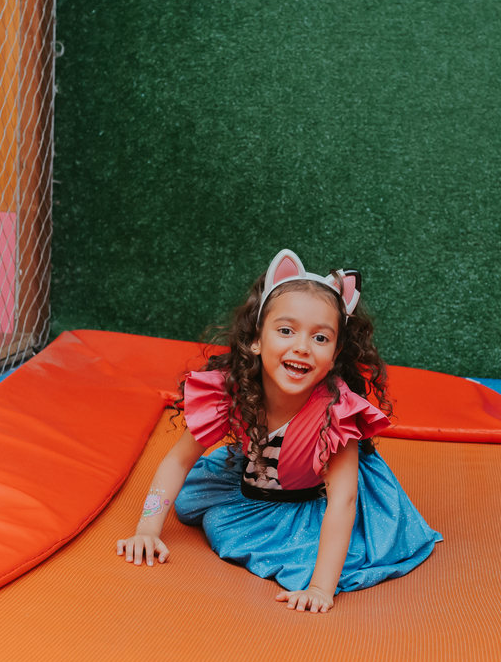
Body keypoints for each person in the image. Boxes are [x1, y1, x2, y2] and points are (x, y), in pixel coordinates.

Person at [116, 249, 442, 612]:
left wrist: (320, 588)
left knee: (307, 562)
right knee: (208, 512)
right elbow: (179, 460)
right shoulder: (231, 390)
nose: (301, 348)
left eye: (321, 338)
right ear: (256, 340)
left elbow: (343, 500)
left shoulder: (336, 412)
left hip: (310, 502)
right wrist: (147, 529)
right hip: (254, 485)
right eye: (286, 331)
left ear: (335, 354)